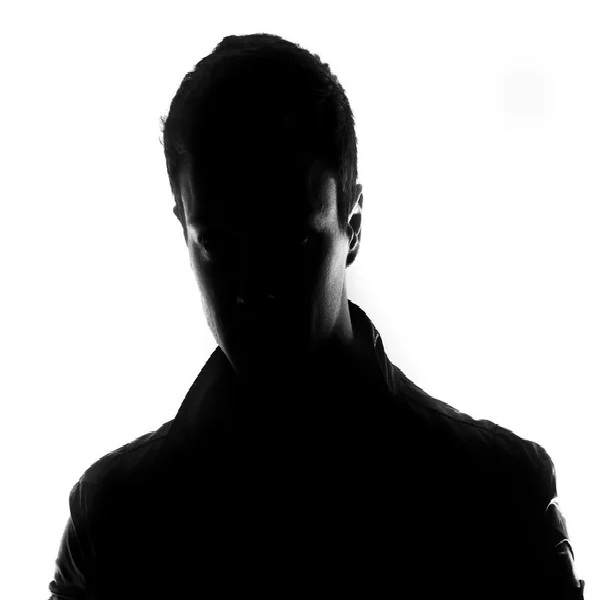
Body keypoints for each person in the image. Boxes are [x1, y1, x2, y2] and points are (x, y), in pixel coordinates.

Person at [48, 33, 585, 599]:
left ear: (353, 226)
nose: (254, 284)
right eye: (219, 246)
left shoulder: (500, 499)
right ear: (182, 229)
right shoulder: (112, 523)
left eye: (289, 240)